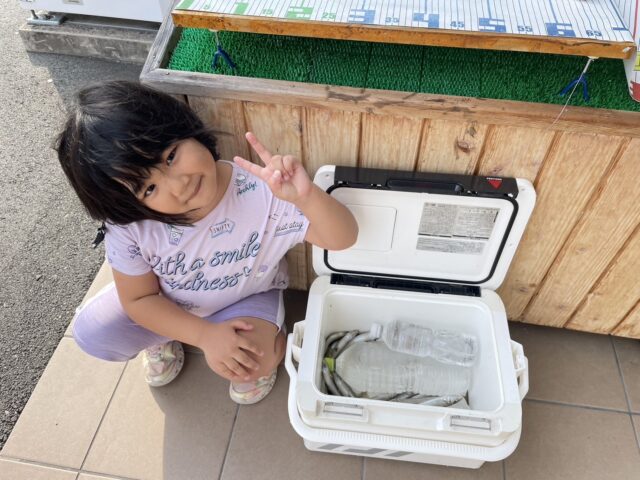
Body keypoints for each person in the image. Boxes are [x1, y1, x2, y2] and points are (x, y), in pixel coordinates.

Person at [55, 81, 358, 404]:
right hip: (167, 302)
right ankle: (167, 334)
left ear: (186, 127)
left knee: (252, 361)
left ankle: (269, 341)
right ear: (127, 205)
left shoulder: (262, 192)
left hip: (247, 297)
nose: (179, 185)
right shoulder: (131, 226)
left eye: (170, 157)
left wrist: (306, 197)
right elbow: (140, 298)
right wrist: (203, 335)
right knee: (93, 333)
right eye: (148, 189)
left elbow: (342, 238)